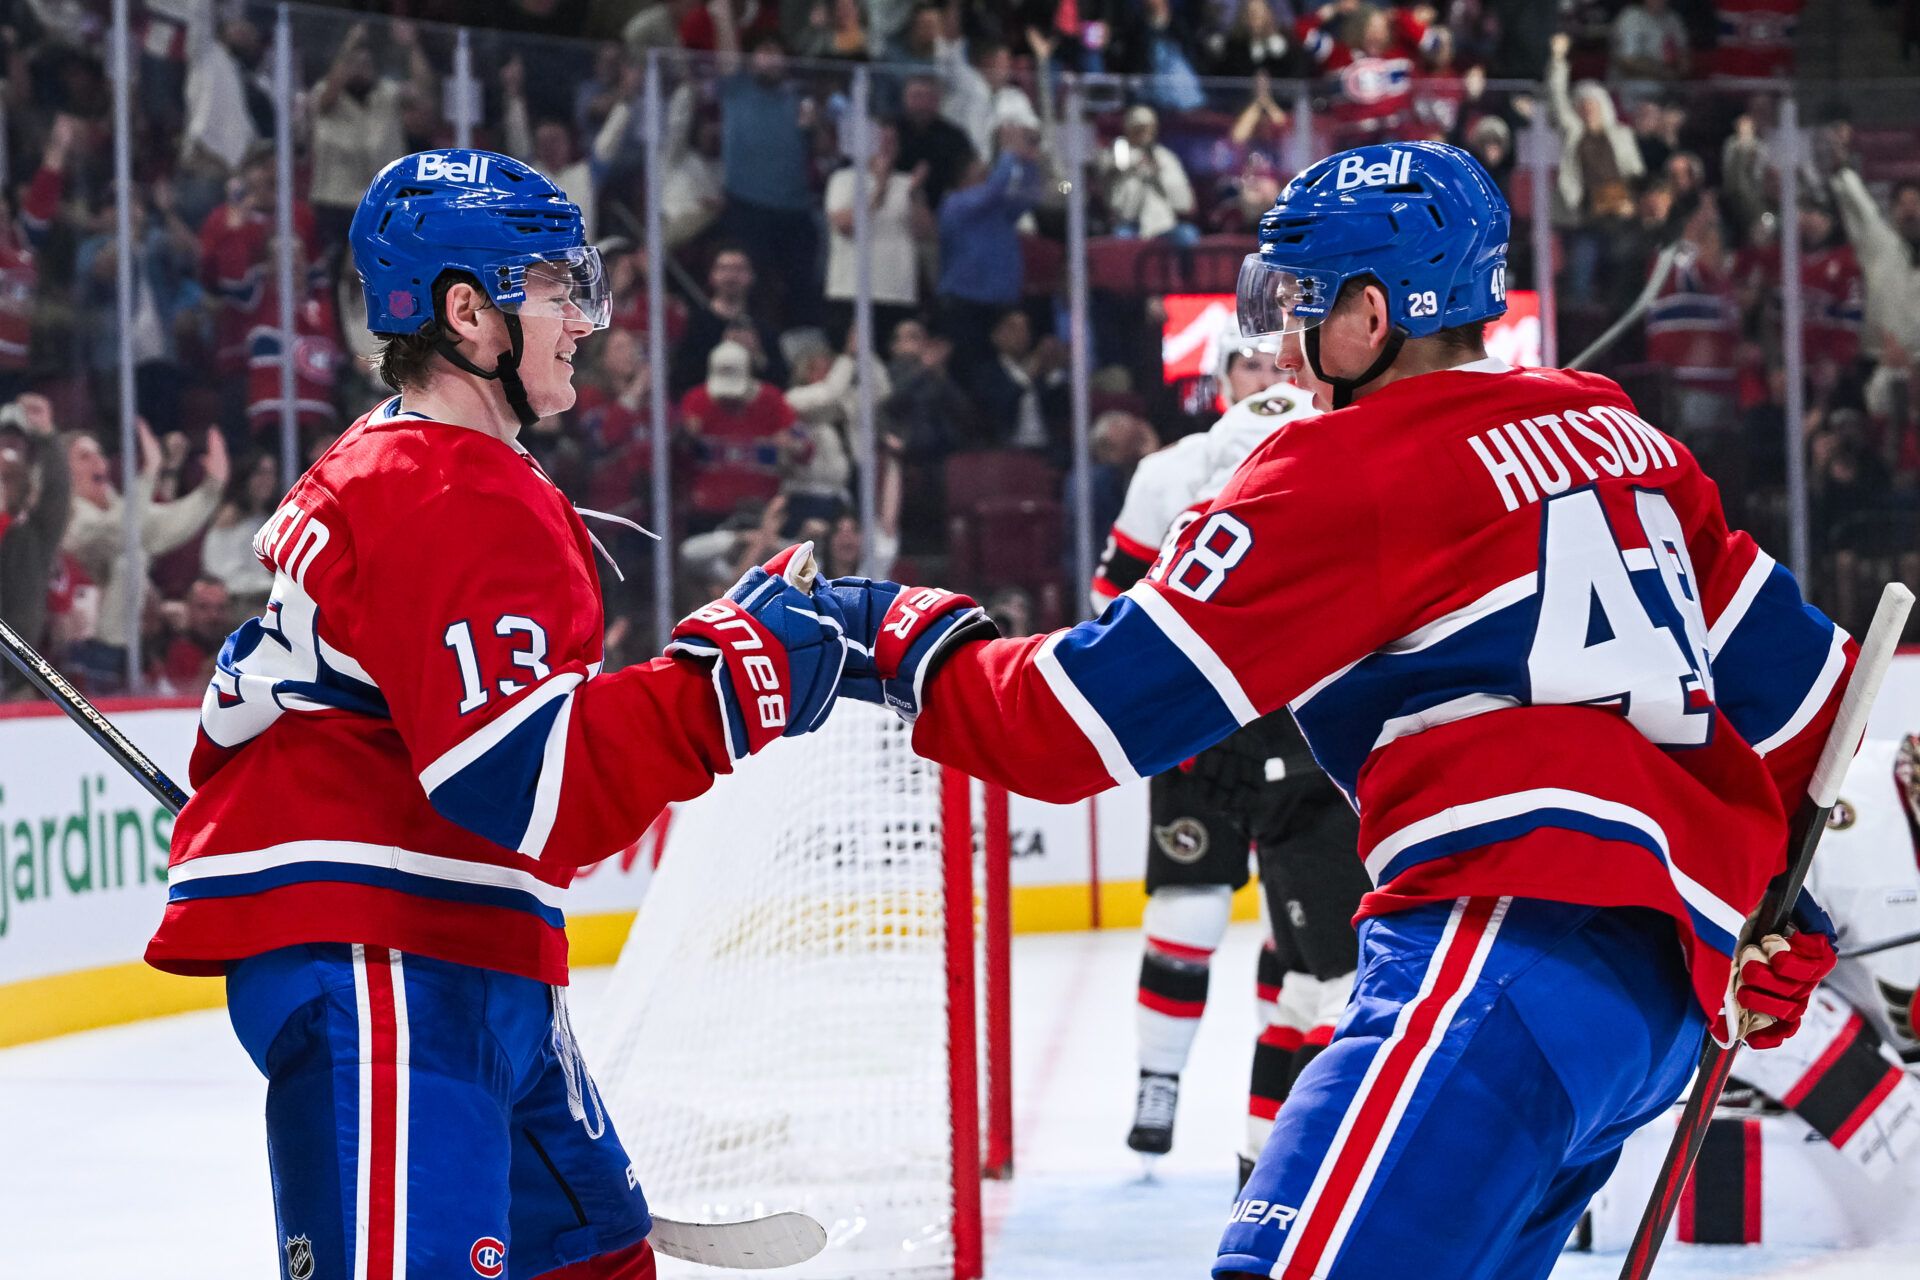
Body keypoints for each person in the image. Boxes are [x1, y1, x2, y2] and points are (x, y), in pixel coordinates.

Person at [807, 141, 1850, 1278]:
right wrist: (1781, 912)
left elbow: (1068, 724)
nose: (1287, 343)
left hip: (1499, 956)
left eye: (1302, 300)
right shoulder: (1623, 431)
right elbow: (1807, 702)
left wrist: (878, 630)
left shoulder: (1344, 466)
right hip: (1659, 1001)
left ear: (1368, 314)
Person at [142, 149, 847, 1280]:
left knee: (594, 1252)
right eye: (556, 288)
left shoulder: (422, 466)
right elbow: (532, 789)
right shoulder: (445, 490)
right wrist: (729, 679)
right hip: (385, 961)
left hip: (456, 941)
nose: (583, 318)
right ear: (469, 312)